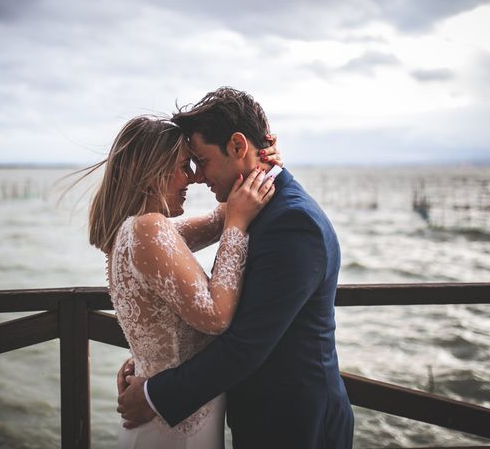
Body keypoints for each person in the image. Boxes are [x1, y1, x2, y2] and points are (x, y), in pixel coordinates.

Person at [117, 88, 354, 448]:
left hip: (295, 426)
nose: (197, 176)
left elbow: (246, 344)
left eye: (202, 160)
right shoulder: (255, 209)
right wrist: (152, 354)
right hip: (261, 419)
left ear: (238, 146)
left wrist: (155, 394)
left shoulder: (292, 222)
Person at [87, 115, 279, 448]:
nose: (192, 178)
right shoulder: (148, 229)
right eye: (183, 167)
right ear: (152, 173)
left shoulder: (130, 230)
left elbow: (224, 215)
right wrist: (237, 227)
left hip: (162, 415)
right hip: (174, 428)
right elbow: (216, 317)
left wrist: (259, 163)